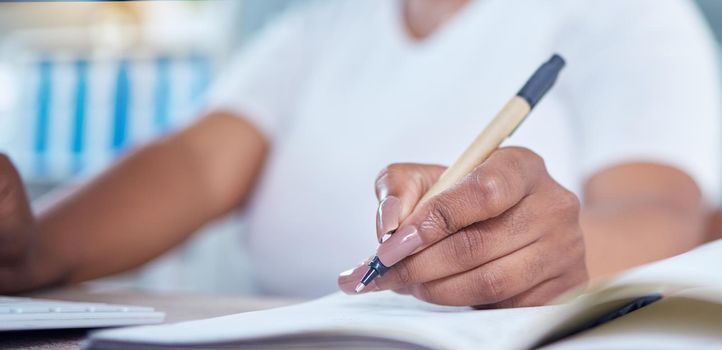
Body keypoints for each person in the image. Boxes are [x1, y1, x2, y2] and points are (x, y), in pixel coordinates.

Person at [0, 0, 719, 308]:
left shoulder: (628, 16)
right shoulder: (316, 30)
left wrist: (560, 251)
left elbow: (663, 215)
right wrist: (30, 245)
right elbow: (193, 162)